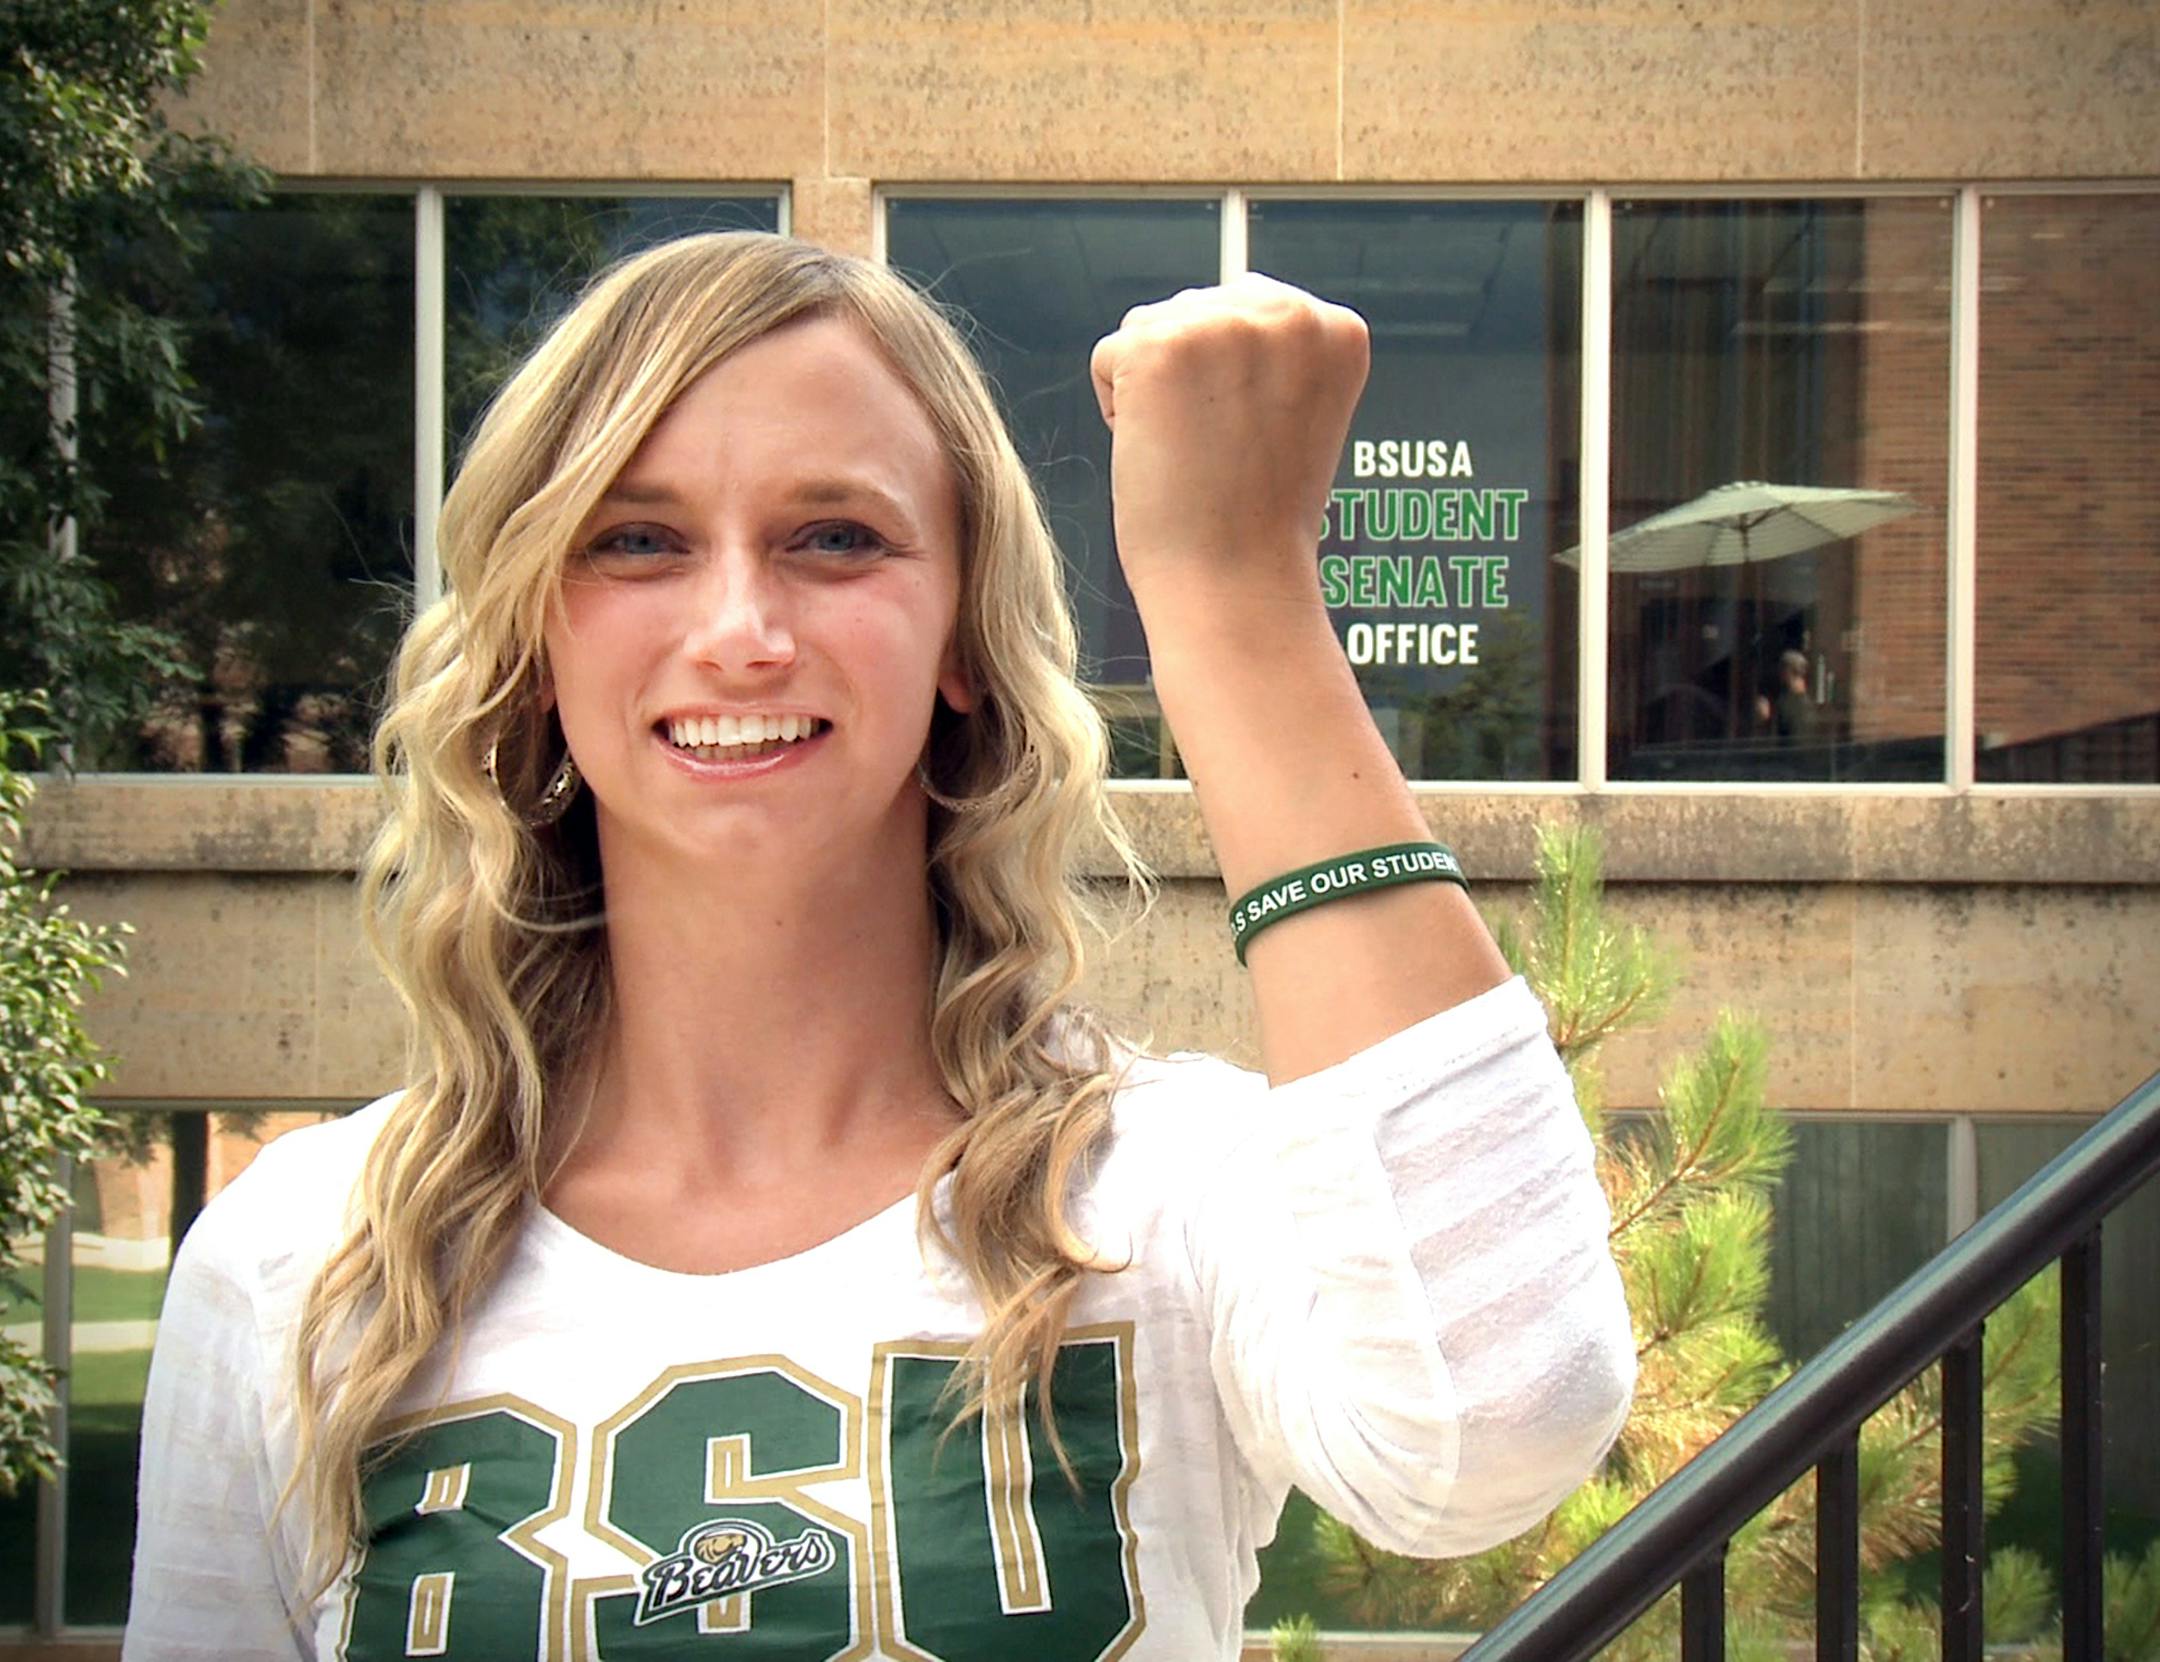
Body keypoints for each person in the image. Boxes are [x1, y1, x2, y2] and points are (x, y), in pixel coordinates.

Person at [123, 233, 1635, 1660]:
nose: (740, 628)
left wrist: (1234, 588)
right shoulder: (308, 1258)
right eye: (636, 540)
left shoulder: (1165, 1193)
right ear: (531, 643)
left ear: (966, 639)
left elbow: (1503, 1429)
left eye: (835, 537)